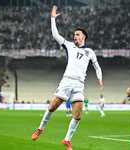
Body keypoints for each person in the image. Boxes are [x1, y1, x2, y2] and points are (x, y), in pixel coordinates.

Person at [31, 5, 104, 150]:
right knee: (52, 106)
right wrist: (53, 19)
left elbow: (97, 67)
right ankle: (40, 129)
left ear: (83, 37)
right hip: (67, 81)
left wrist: (99, 79)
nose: (74, 36)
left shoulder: (90, 52)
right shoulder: (69, 46)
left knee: (77, 116)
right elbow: (55, 35)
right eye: (74, 35)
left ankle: (67, 140)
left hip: (79, 85)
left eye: (77, 34)